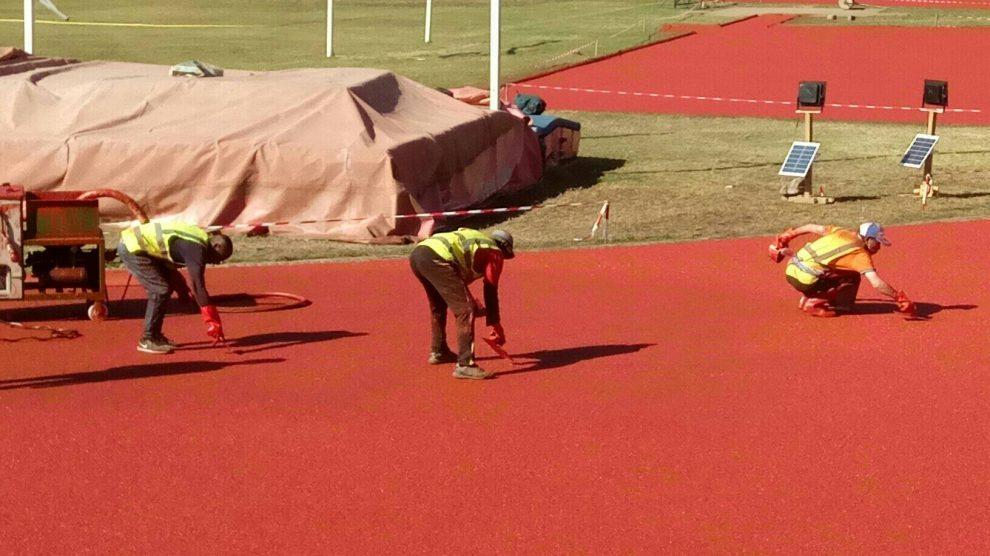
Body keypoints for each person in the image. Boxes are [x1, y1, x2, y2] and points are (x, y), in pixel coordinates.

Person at [409, 228, 514, 380]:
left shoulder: (477, 241)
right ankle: (465, 365)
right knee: (466, 310)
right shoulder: (494, 252)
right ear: (504, 247)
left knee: (439, 305)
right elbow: (490, 289)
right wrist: (496, 325)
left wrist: (475, 306)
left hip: (419, 255)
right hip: (436, 258)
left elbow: (455, 282)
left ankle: (439, 350)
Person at [117, 221, 233, 354]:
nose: (216, 263)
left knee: (164, 287)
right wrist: (213, 321)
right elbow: (197, 285)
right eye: (219, 259)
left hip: (138, 245)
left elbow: (171, 270)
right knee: (160, 289)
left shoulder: (197, 239)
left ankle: (155, 336)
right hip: (132, 247)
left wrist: (182, 291)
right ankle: (148, 339)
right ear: (216, 246)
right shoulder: (197, 249)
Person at [770, 222, 916, 317]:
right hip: (806, 280)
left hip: (791, 270)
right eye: (876, 242)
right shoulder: (860, 254)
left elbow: (811, 227)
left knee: (834, 269)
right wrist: (899, 298)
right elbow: (876, 283)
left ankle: (809, 296)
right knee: (852, 277)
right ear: (868, 239)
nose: (878, 247)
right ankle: (815, 301)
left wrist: (787, 236)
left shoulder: (841, 232)